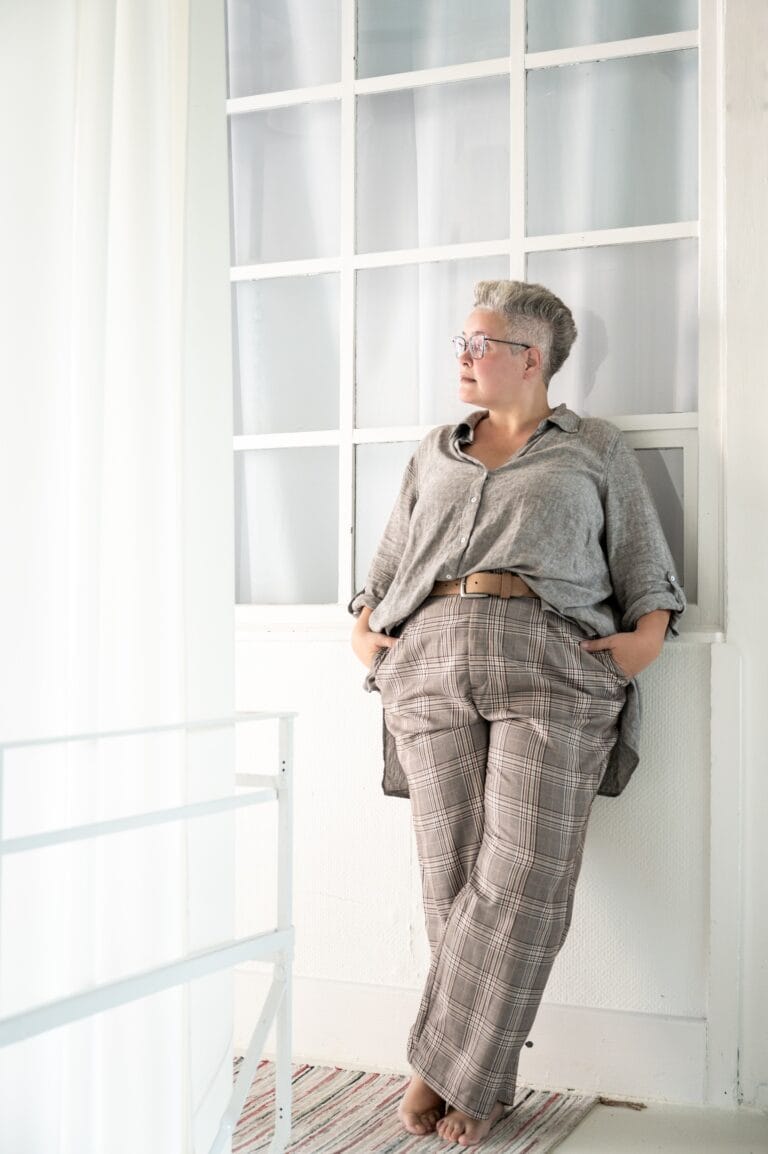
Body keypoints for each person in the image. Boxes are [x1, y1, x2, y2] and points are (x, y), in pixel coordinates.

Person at [348, 279, 686, 1148]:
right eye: (461, 341)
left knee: (524, 877)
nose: (462, 356)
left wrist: (647, 639)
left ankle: (438, 1068)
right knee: (451, 879)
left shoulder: (593, 448)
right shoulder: (435, 451)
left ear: (530, 359)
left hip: (552, 667)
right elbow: (387, 563)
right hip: (429, 663)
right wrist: (364, 629)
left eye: (479, 343)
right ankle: (480, 1080)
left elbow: (643, 560)